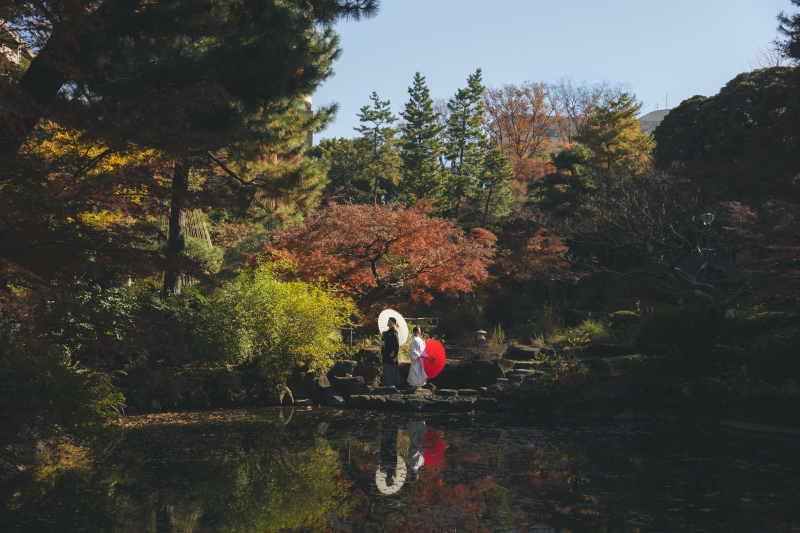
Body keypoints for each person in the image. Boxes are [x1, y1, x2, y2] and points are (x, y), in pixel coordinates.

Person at [381, 316, 400, 388]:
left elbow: (396, 344)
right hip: (386, 352)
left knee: (391, 368)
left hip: (391, 353)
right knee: (386, 368)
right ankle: (387, 383)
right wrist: (383, 336)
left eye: (390, 321)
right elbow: (384, 342)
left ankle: (391, 384)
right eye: (388, 321)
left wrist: (393, 352)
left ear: (393, 323)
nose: (388, 322)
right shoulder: (387, 332)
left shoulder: (394, 332)